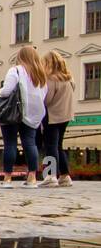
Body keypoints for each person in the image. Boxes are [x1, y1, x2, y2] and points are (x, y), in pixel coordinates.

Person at [0, 45, 48, 189]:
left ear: (20, 57)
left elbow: (6, 91)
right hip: (32, 114)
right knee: (30, 144)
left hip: (13, 112)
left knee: (10, 144)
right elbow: (43, 96)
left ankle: (7, 178)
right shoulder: (41, 75)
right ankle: (32, 177)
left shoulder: (15, 71)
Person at [41, 49, 75, 188]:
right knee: (59, 145)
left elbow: (47, 100)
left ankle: (50, 175)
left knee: (50, 146)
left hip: (52, 115)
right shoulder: (69, 79)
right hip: (66, 115)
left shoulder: (51, 79)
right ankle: (65, 175)